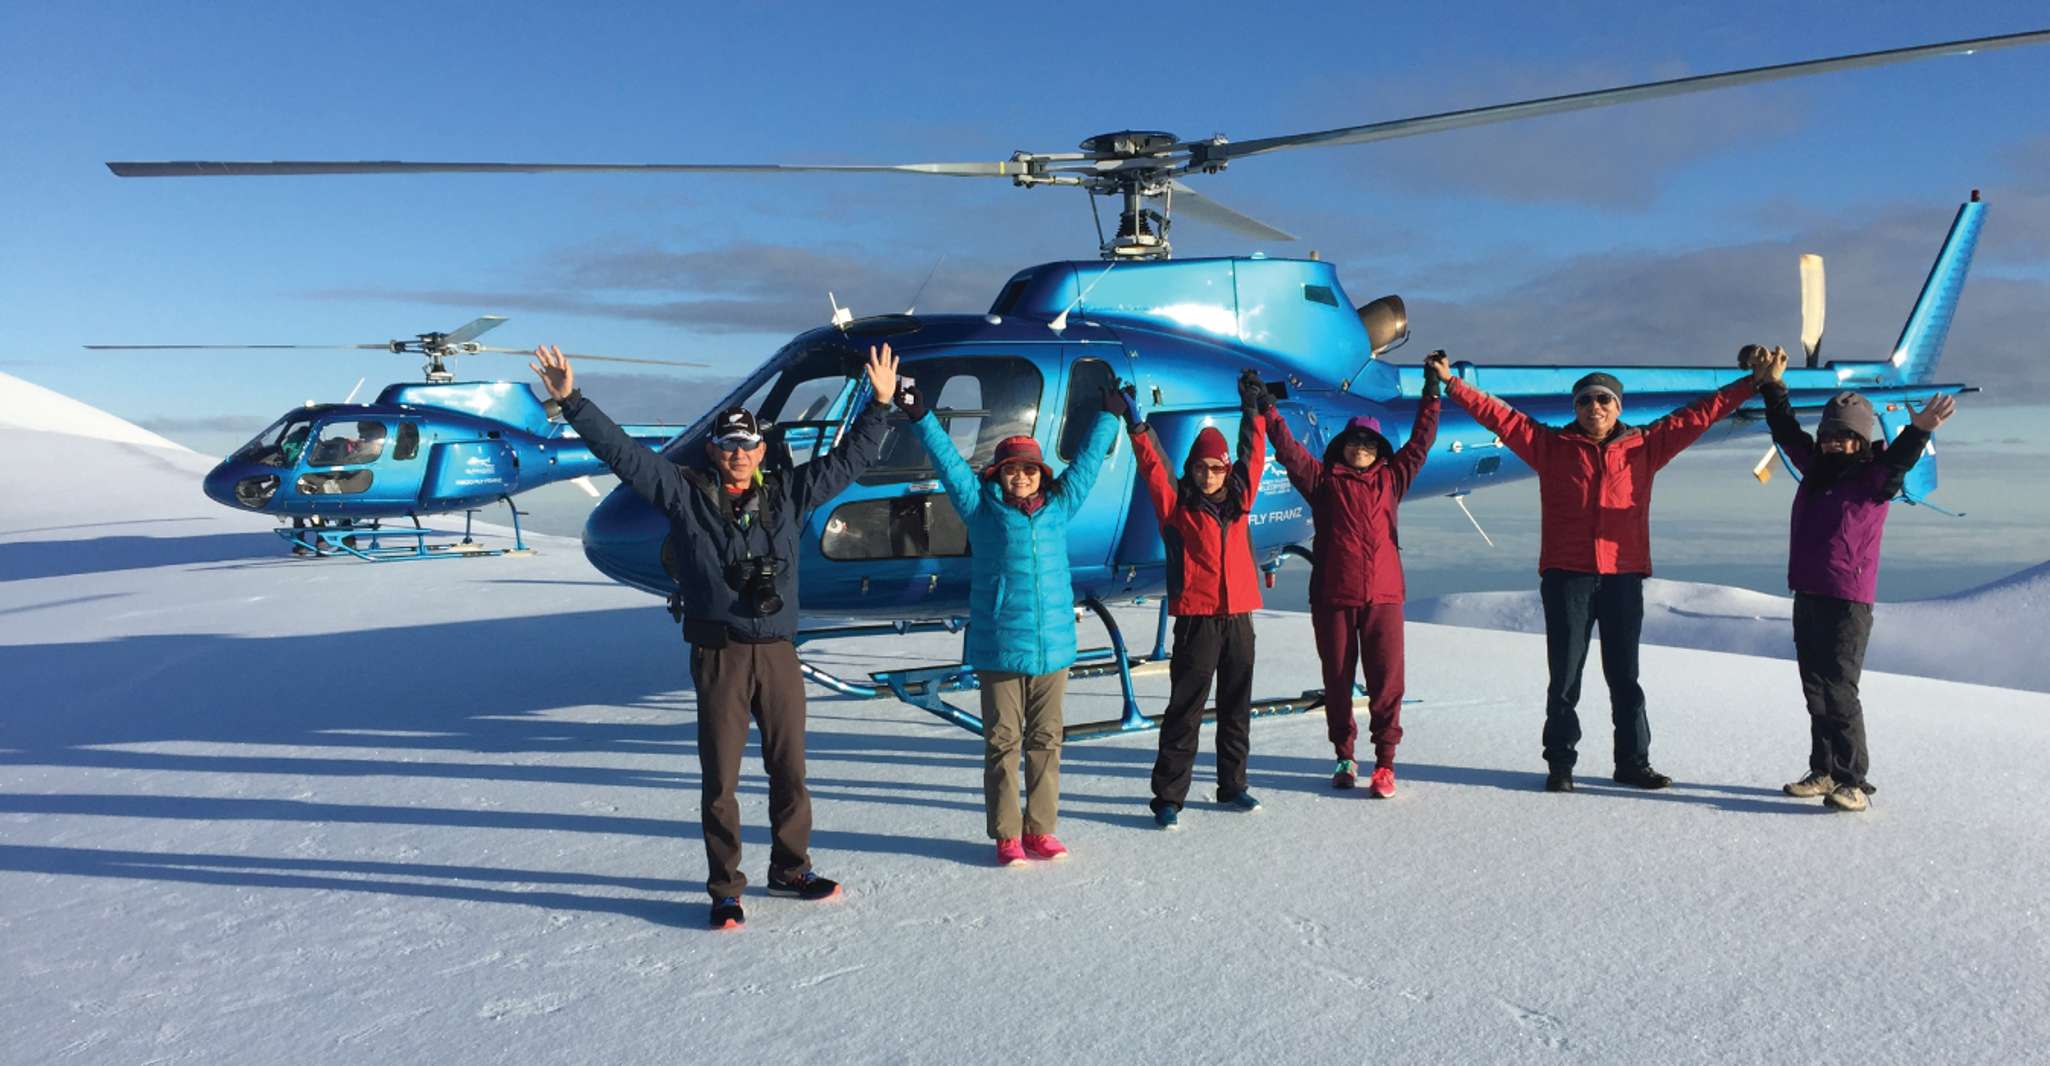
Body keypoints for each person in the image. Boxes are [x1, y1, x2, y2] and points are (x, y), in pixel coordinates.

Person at [531, 342, 898, 930]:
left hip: (778, 651)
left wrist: (880, 403)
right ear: (714, 450)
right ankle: (726, 887)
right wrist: (571, 401)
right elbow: (624, 456)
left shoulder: (788, 494)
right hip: (720, 653)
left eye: (748, 445)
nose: (738, 455)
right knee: (721, 778)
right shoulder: (683, 493)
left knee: (790, 768)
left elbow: (850, 461)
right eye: (728, 446)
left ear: (761, 449)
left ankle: (791, 867)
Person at [1433, 350, 1756, 793]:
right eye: (1585, 401)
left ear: (1618, 407)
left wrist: (1751, 383)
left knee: (1625, 676)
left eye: (1604, 399)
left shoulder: (1645, 446)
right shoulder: (1551, 447)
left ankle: (1632, 763)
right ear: (1576, 409)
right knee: (1565, 677)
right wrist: (1453, 384)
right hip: (1568, 577)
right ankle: (1560, 765)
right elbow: (1501, 417)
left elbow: (1698, 416)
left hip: (1623, 577)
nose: (1594, 408)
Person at [897, 374, 1119, 866]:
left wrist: (1108, 415)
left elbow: (1085, 467)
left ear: (1041, 473)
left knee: (1047, 741)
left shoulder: (1059, 507)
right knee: (1002, 743)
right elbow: (951, 465)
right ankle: (1006, 834)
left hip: (1054, 647)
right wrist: (919, 415)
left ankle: (1040, 829)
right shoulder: (981, 509)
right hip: (1000, 645)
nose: (1021, 476)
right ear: (998, 473)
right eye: (1012, 470)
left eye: (1029, 470)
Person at [1751, 345, 1955, 812]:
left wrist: (1919, 430)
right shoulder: (1814, 471)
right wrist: (1774, 386)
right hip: (1808, 591)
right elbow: (1785, 431)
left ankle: (1853, 781)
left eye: (1844, 438)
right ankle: (1823, 770)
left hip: (1848, 598)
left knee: (1840, 689)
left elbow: (1898, 461)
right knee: (1814, 686)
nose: (1833, 443)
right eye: (1828, 436)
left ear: (1861, 442)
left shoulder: (1873, 478)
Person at [1266, 359, 1440, 797]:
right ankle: (1344, 756)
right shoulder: (1323, 482)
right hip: (1333, 596)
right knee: (1337, 680)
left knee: (1386, 683)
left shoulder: (1393, 478)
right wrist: (1267, 411)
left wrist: (1432, 392)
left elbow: (1420, 442)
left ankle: (1385, 764)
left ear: (1379, 448)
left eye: (1367, 441)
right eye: (1353, 441)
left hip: (1383, 596)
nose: (1360, 447)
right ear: (1341, 446)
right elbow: (1289, 451)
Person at [1116, 370, 1269, 829]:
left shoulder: (1241, 499)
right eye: (1201, 467)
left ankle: (1233, 786)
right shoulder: (1176, 506)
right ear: (1192, 469)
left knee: (1236, 706)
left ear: (1226, 469)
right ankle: (1168, 798)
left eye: (1216, 467)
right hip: (1198, 620)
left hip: (1239, 616)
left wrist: (1253, 409)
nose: (1208, 474)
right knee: (1186, 710)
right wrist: (1137, 426)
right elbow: (1153, 466)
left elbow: (1253, 454)